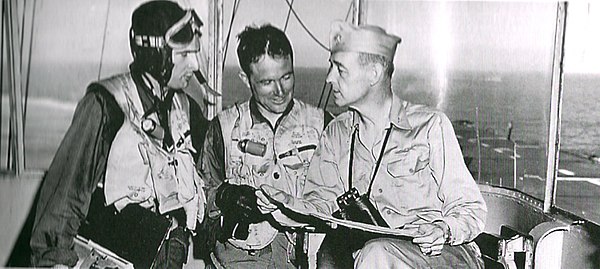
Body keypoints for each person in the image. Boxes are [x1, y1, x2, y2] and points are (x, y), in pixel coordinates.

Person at [260, 21, 487, 268]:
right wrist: (283, 205)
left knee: (376, 253)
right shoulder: (336, 134)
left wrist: (442, 229)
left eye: (340, 70)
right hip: (372, 255)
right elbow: (320, 206)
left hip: (440, 256)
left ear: (374, 74)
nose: (329, 79)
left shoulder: (430, 127)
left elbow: (470, 209)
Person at [29, 1, 211, 267]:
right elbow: (66, 198)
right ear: (155, 53)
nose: (194, 64)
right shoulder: (105, 106)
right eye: (183, 54)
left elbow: (210, 173)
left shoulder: (185, 109)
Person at [197, 24, 332, 268]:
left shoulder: (322, 124)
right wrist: (226, 196)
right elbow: (199, 198)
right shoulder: (224, 129)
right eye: (267, 82)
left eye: (286, 77)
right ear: (246, 80)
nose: (280, 91)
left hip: (306, 257)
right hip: (241, 258)